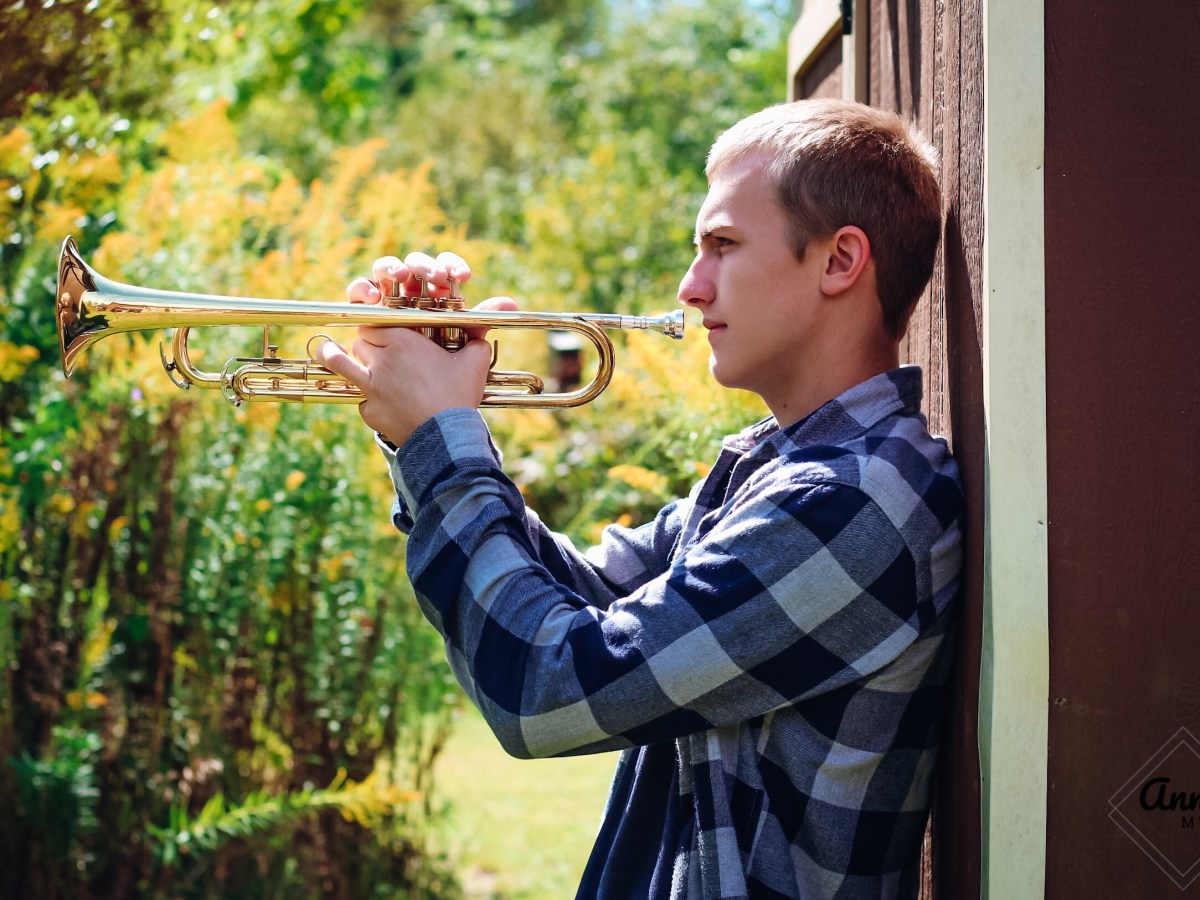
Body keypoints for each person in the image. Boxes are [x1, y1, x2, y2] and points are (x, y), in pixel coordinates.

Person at [316, 98, 963, 900]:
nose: (692, 288)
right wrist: (425, 430)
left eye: (722, 246)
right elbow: (578, 600)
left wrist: (441, 436)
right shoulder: (783, 467)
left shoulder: (856, 503)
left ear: (839, 262)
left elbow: (543, 689)